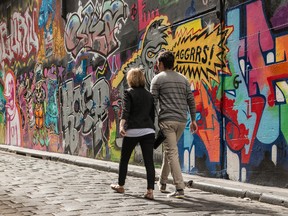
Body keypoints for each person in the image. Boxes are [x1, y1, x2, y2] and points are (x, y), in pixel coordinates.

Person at [150, 50, 198, 198]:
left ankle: (179, 188)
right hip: (182, 121)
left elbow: (153, 103)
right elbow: (191, 100)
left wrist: (152, 123)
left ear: (162, 64)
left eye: (158, 63)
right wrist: (194, 120)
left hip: (167, 122)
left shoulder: (157, 79)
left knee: (171, 152)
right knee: (169, 151)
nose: (157, 65)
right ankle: (162, 182)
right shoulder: (183, 79)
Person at [111, 68, 156, 200]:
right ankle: (150, 191)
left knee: (124, 159)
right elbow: (152, 115)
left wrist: (121, 125)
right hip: (148, 130)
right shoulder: (149, 95)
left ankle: (120, 185)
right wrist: (150, 128)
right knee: (149, 162)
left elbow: (126, 110)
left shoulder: (128, 93)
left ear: (130, 79)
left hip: (133, 131)